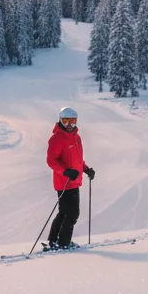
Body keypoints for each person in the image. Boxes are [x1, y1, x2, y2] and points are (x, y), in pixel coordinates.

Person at [45, 106, 96, 249]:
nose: (69, 125)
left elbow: (77, 159)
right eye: (66, 121)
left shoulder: (76, 137)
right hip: (64, 181)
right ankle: (63, 243)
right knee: (72, 214)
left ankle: (53, 241)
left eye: (72, 121)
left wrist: (86, 169)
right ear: (60, 120)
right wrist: (66, 171)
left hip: (74, 180)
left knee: (64, 212)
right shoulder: (57, 138)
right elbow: (51, 161)